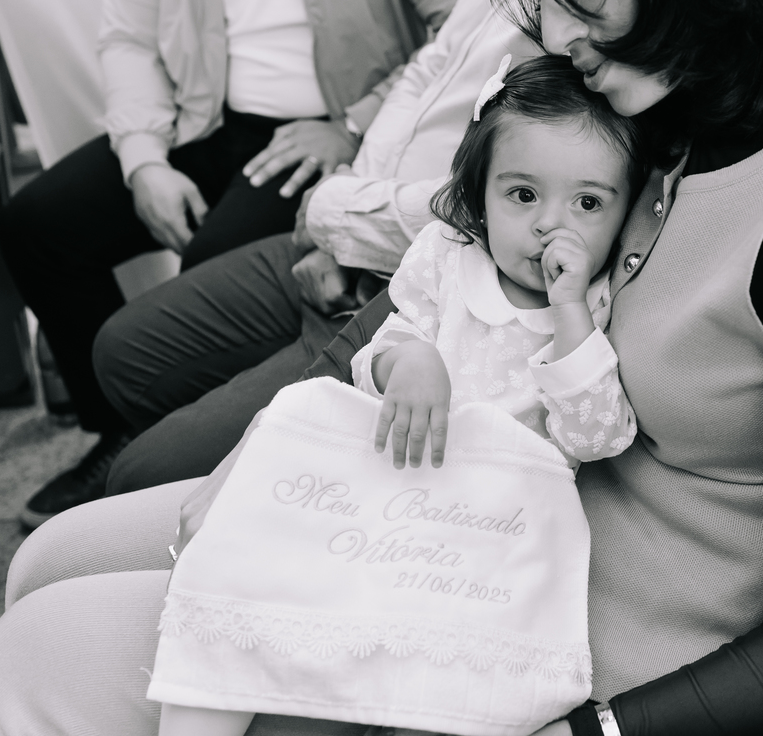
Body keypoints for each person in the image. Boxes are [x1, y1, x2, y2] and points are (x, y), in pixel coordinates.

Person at [0, 0, 763, 735]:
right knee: (50, 560)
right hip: (465, 519)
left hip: (586, 654)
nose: (556, 28)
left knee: (36, 652)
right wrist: (275, 443)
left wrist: (584, 732)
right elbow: (448, 278)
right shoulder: (677, 77)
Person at [152, 54, 644, 736]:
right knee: (270, 587)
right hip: (392, 492)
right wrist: (405, 360)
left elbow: (598, 436)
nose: (548, 226)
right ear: (480, 190)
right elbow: (376, 355)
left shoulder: (596, 305)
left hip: (487, 540)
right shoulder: (447, 255)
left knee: (415, 672)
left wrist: (569, 312)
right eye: (522, 195)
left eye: (587, 203)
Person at [0, 0, 474, 529]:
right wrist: (145, 160)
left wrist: (352, 125)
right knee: (37, 224)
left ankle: (182, 460)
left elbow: (459, 31)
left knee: (208, 259)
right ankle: (116, 432)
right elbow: (129, 40)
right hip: (202, 119)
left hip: (328, 134)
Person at [90, 0, 541, 498]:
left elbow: (503, 209)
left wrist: (338, 210)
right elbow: (431, 64)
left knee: (137, 474)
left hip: (408, 276)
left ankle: (231, 471)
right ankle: (213, 455)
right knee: (120, 351)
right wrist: (350, 192)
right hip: (349, 204)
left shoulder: (572, 16)